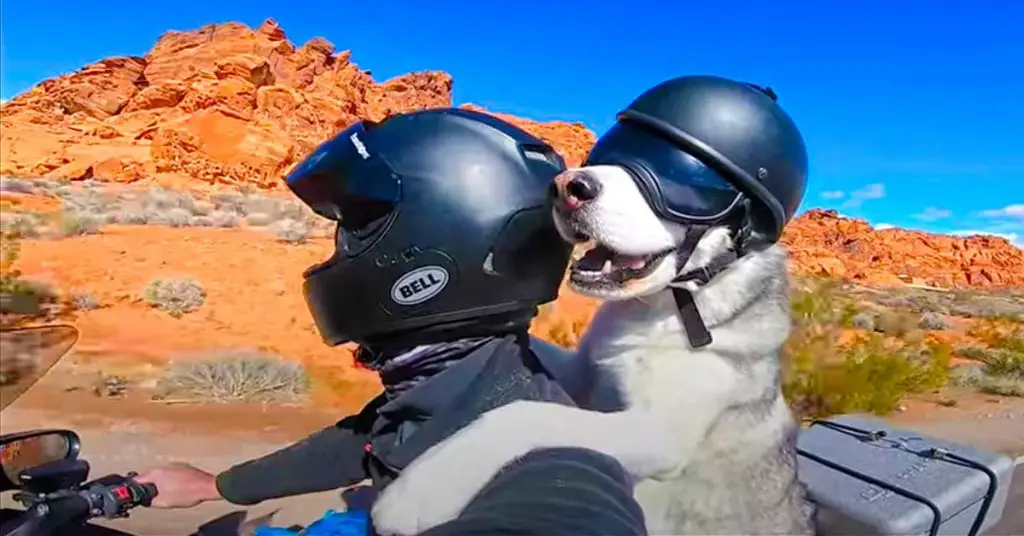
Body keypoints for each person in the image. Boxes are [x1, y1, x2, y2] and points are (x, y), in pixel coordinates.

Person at [136, 108, 648, 535]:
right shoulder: (456, 381)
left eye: (353, 230)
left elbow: (575, 507)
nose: (337, 253)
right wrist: (217, 487)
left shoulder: (554, 457)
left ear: (433, 248)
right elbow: (375, 436)